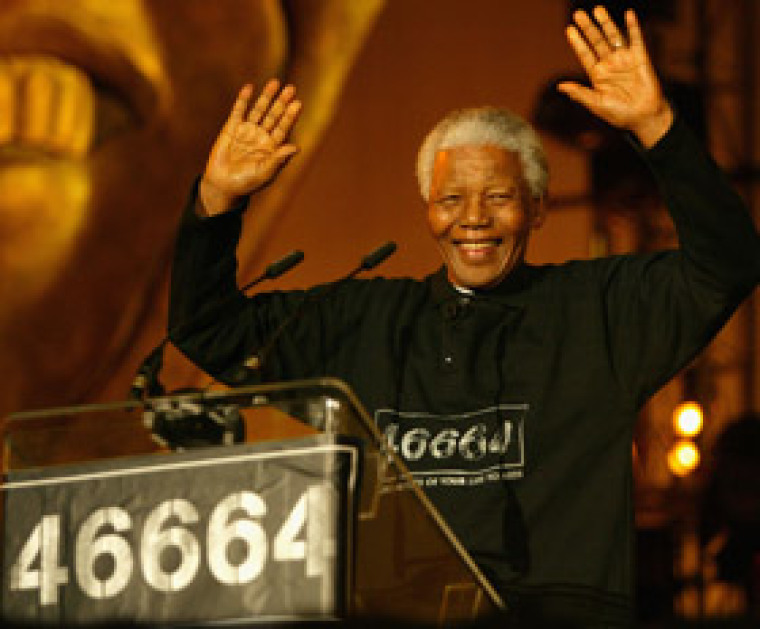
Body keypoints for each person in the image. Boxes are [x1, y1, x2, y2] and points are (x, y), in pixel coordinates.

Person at [169, 6, 760, 627]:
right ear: (429, 210)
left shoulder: (600, 310)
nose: (473, 219)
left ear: (537, 209)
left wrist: (658, 129)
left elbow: (729, 263)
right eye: (451, 199)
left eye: (498, 197)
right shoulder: (364, 320)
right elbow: (209, 330)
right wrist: (218, 199)